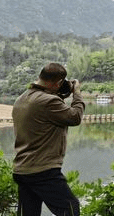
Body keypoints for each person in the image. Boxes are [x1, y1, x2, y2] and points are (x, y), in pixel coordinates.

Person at [12, 62, 85, 216]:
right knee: (70, 208)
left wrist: (60, 93)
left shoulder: (22, 99)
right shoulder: (48, 101)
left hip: (22, 169)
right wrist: (77, 93)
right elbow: (75, 117)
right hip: (42, 170)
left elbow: (48, 110)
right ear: (58, 83)